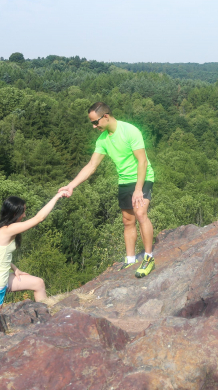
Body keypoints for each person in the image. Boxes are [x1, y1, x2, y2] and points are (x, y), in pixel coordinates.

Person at [60, 102, 156, 277]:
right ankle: (130, 259)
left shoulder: (130, 131)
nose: (94, 126)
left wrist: (138, 189)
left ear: (105, 116)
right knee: (128, 220)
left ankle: (149, 258)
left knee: (140, 213)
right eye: (92, 124)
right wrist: (71, 185)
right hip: (124, 180)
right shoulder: (103, 140)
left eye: (95, 122)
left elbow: (142, 161)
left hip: (142, 177)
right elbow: (91, 166)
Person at [0, 192, 67, 312]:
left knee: (38, 283)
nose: (24, 215)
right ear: (15, 213)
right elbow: (39, 218)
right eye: (23, 212)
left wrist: (15, 269)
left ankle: (46, 316)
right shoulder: (7, 230)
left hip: (1, 279)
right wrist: (57, 196)